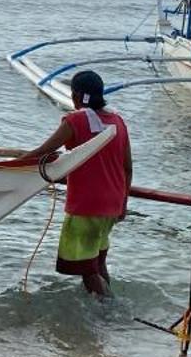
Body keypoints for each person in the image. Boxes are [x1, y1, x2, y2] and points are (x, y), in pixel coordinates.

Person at [21, 70, 131, 297]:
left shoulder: (76, 120)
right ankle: (106, 307)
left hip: (86, 205)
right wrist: (124, 203)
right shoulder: (117, 121)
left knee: (88, 270)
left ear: (78, 95)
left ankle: (106, 311)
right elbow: (127, 167)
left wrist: (11, 164)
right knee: (99, 264)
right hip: (112, 204)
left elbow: (44, 151)